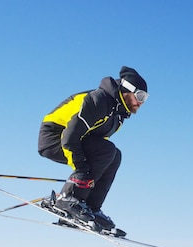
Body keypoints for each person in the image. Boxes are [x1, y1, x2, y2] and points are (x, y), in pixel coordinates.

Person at [38, 66, 148, 235]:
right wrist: (81, 169)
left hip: (75, 139)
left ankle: (90, 207)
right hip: (55, 135)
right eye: (140, 96)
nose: (142, 102)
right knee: (107, 151)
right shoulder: (99, 101)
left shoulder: (118, 115)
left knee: (114, 155)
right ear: (127, 89)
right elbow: (69, 136)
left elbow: (96, 145)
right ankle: (68, 200)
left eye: (145, 98)